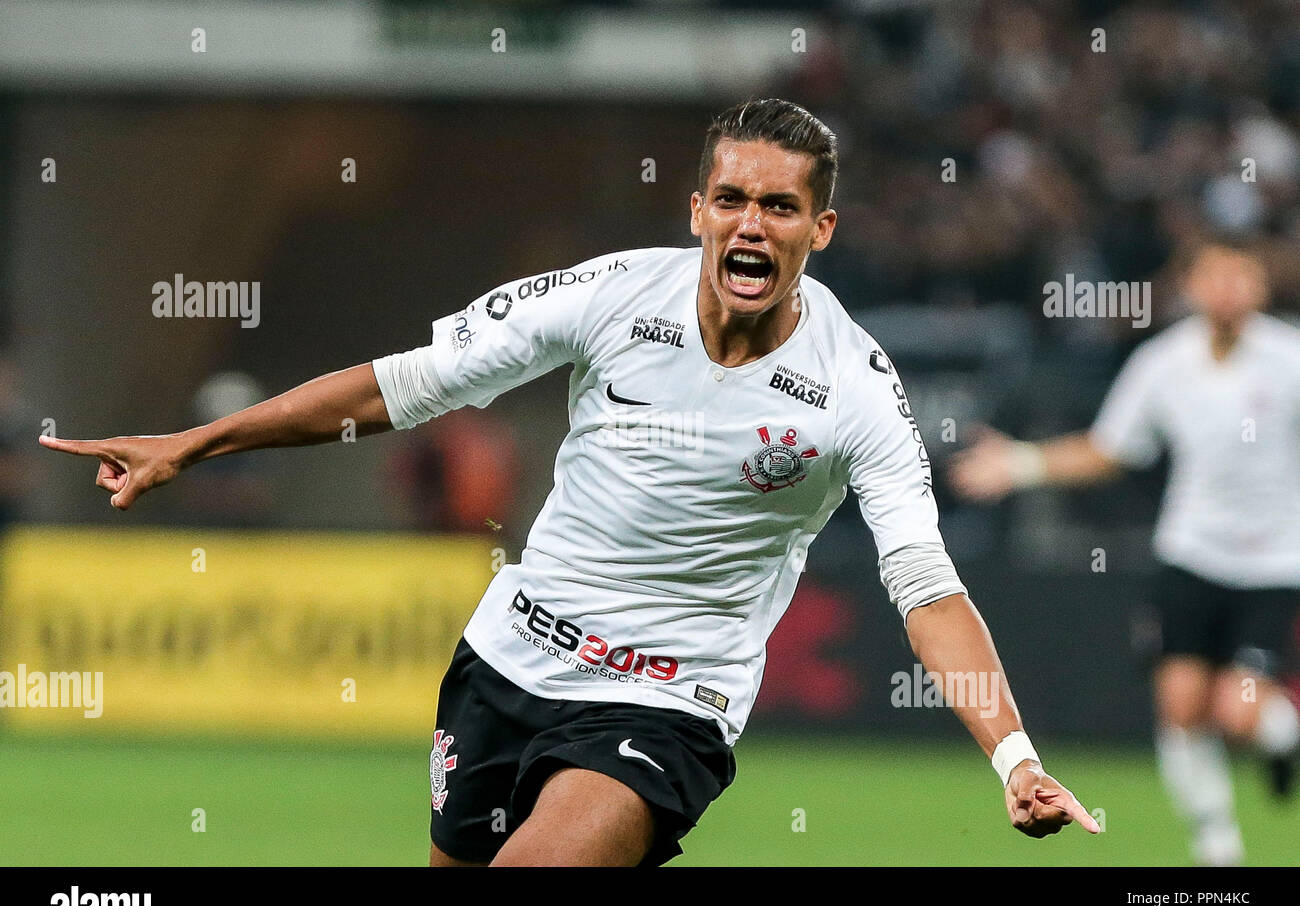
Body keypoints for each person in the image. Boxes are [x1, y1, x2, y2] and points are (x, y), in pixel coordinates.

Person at [41, 98, 1097, 866]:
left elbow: (926, 586)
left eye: (779, 207)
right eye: (730, 197)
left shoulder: (853, 387)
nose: (749, 224)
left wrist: (1012, 756)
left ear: (818, 231)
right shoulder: (605, 296)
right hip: (507, 660)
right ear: (695, 209)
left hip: (665, 701)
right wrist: (195, 441)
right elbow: (396, 389)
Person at [950, 243, 1300, 866]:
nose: (1225, 288)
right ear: (1191, 284)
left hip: (1272, 564)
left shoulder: (1289, 359)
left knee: (1238, 711)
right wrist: (1022, 463)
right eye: (1212, 273)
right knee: (1180, 704)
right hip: (1190, 554)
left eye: (1239, 274)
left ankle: (1281, 738)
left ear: (1261, 284)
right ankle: (1219, 848)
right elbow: (1110, 449)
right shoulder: (1165, 363)